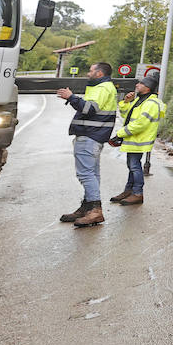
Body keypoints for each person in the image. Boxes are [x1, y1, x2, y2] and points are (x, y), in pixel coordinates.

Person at [55, 62, 119, 227]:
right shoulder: (103, 87)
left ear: (99, 73)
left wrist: (71, 97)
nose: (88, 73)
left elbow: (89, 109)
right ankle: (87, 207)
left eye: (91, 70)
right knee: (92, 174)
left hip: (90, 136)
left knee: (86, 174)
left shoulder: (103, 88)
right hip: (94, 136)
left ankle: (95, 211)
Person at [109, 71, 164, 205]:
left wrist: (120, 133)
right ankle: (129, 191)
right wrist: (126, 102)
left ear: (148, 87)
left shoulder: (151, 103)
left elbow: (140, 124)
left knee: (134, 166)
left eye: (141, 83)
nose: (137, 85)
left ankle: (138, 193)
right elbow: (125, 116)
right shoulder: (139, 100)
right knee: (132, 165)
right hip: (133, 139)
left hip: (139, 140)